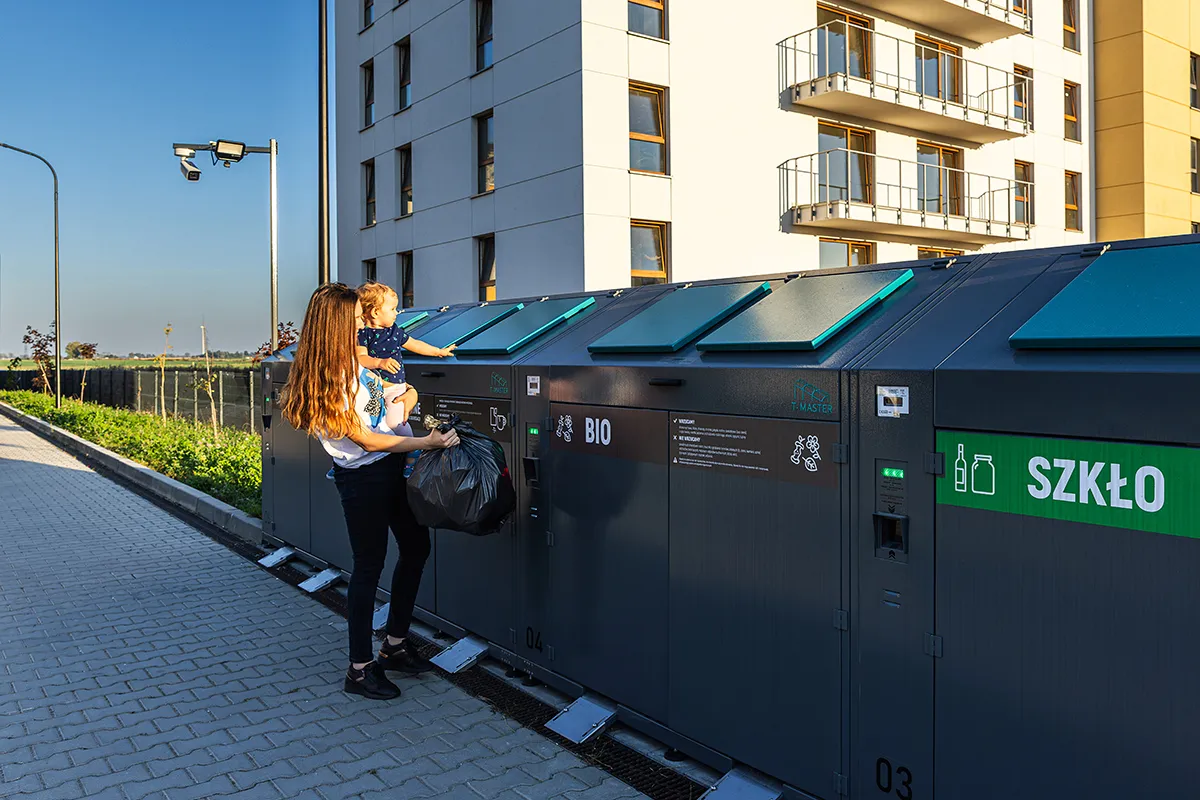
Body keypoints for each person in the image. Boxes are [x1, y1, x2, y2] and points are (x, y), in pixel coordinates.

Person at [280, 283, 460, 700]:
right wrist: (426, 443)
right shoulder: (327, 378)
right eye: (357, 318)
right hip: (364, 480)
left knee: (415, 549)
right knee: (369, 567)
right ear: (335, 324)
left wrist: (406, 397)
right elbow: (366, 440)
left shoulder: (355, 365)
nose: (363, 323)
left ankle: (394, 645)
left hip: (392, 468)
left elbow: (384, 406)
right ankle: (359, 670)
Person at [356, 282, 456, 477]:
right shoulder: (362, 334)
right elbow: (361, 358)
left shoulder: (394, 331)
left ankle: (412, 457)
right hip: (372, 388)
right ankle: (348, 463)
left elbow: (415, 344)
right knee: (366, 425)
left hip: (395, 390)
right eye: (392, 309)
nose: (396, 313)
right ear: (376, 312)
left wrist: (438, 352)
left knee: (397, 424)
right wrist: (380, 363)